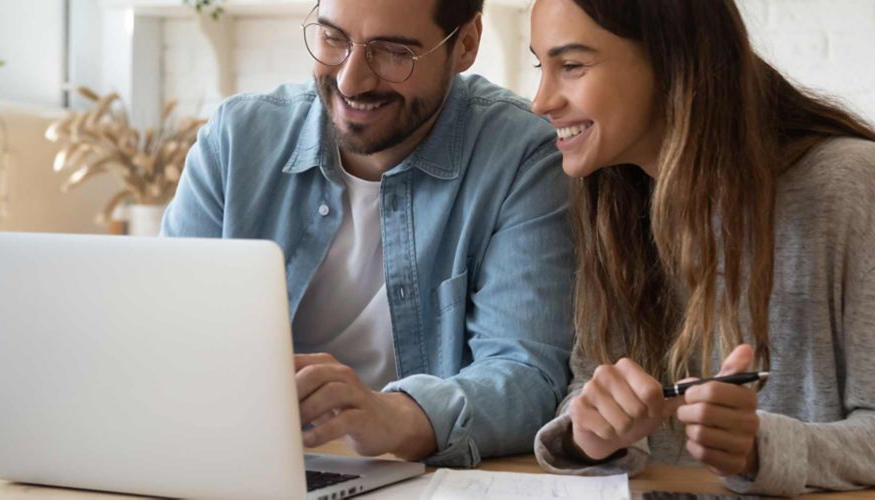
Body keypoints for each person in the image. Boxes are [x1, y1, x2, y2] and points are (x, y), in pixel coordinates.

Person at [527, 0, 875, 495]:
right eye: (541, 66)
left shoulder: (849, 183)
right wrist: (591, 434)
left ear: (672, 60)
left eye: (571, 66)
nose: (541, 101)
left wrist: (759, 449)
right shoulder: (615, 197)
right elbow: (590, 383)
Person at [161, 0, 574, 467]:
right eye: (333, 39)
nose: (350, 80)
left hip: (420, 479)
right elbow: (163, 337)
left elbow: (527, 376)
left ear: (466, 45)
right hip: (242, 465)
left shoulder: (522, 157)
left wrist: (392, 416)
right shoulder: (235, 141)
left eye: (394, 51)